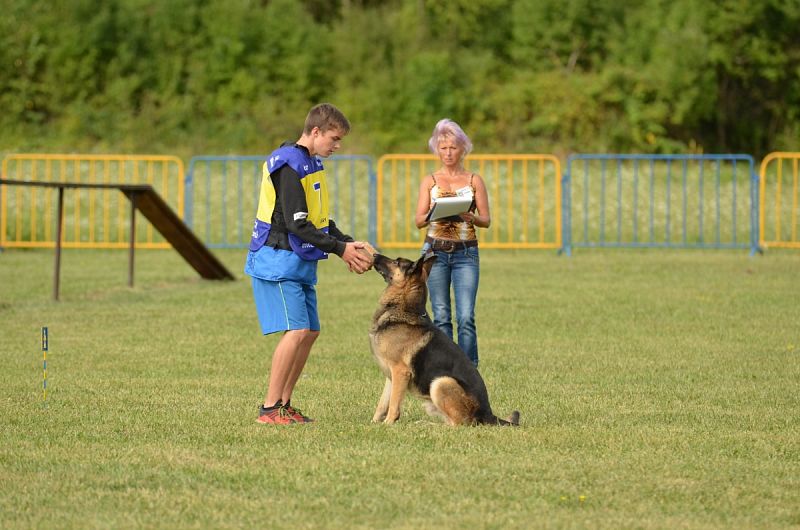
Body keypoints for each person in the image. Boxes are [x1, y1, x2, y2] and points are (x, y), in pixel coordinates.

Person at [245, 103, 372, 425]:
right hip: (277, 258)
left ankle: (284, 405)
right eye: (334, 138)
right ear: (315, 132)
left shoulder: (310, 163)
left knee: (310, 331)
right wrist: (341, 250)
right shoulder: (288, 164)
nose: (337, 145)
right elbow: (297, 225)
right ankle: (269, 409)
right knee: (297, 330)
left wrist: (348, 241)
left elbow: (318, 220)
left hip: (298, 261)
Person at [414, 119, 491, 367]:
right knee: (441, 315)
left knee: (466, 316)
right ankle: (444, 366)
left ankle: (469, 367)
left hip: (465, 254)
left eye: (453, 148)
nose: (448, 153)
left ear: (463, 149)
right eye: (443, 147)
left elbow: (486, 220)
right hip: (435, 252)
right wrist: (433, 214)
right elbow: (418, 220)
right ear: (437, 149)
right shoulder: (430, 181)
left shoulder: (474, 180)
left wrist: (472, 217)